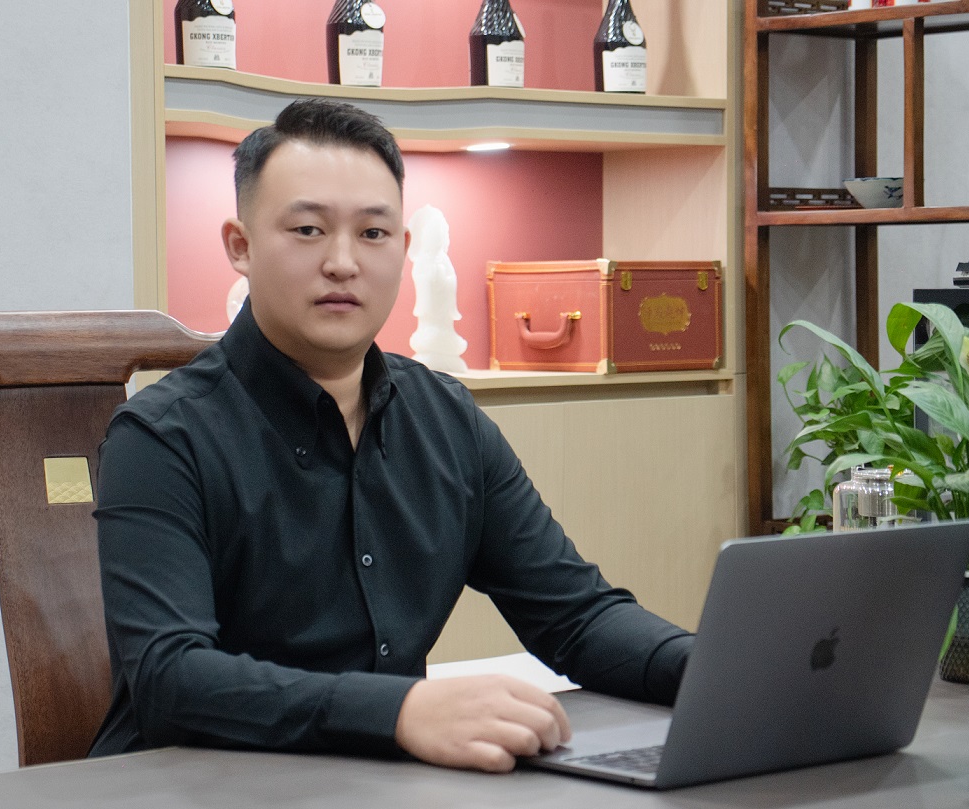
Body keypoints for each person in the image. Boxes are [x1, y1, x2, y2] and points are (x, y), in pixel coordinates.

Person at [90, 98, 692, 773]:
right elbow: (171, 678)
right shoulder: (161, 438)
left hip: (387, 783)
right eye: (309, 230)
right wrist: (398, 711)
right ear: (240, 246)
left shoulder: (445, 419)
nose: (343, 262)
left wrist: (712, 668)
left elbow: (576, 617)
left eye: (373, 233)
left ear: (404, 251)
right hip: (192, 785)